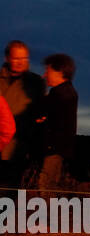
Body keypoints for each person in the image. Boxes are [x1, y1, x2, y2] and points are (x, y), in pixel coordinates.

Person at [1, 40, 45, 188]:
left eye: (24, 58)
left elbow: (40, 114)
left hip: (18, 150)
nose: (21, 62)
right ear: (7, 58)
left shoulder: (35, 83)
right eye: (16, 58)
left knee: (8, 193)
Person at [35, 53, 78, 197]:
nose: (44, 75)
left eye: (48, 71)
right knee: (48, 184)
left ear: (59, 72)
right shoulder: (67, 92)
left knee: (46, 185)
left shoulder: (60, 94)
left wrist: (41, 115)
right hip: (57, 148)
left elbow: (42, 112)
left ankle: (47, 217)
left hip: (53, 148)